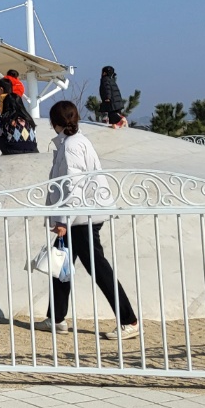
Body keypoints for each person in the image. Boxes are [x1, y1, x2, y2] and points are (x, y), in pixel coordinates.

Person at [36, 100, 140, 340]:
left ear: (55, 123)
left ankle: (129, 320)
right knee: (61, 265)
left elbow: (73, 185)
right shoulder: (77, 141)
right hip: (82, 214)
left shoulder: (71, 145)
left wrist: (63, 220)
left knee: (97, 268)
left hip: (81, 216)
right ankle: (56, 318)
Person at [0, 78, 39, 156]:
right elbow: (34, 138)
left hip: (12, 150)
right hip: (32, 149)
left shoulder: (2, 119)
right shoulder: (28, 119)